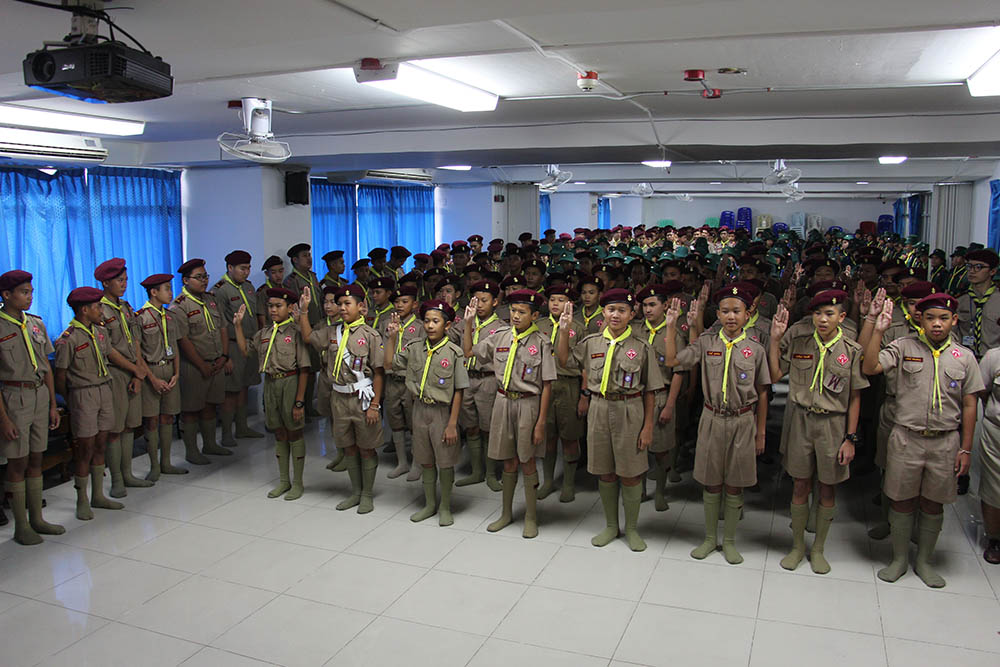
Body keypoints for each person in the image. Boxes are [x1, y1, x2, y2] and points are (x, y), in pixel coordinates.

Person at [862, 294, 983, 588]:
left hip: (944, 442)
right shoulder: (904, 347)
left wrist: (966, 448)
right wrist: (878, 329)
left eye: (943, 318)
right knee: (902, 501)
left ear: (954, 320)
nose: (936, 324)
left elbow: (970, 405)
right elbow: (870, 367)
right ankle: (899, 559)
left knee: (933, 504)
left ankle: (925, 561)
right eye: (930, 318)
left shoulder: (964, 357)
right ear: (921, 320)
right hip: (907, 438)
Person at [664, 284, 770, 564]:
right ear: (718, 314)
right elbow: (673, 360)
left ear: (747, 314)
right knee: (711, 482)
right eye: (725, 311)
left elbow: (762, 392)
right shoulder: (706, 343)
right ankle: (710, 538)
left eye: (736, 311)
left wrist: (760, 432)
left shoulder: (755, 349)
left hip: (743, 420)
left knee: (735, 484)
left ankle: (730, 541)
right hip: (712, 417)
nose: (731, 316)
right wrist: (671, 328)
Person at [768, 290, 868, 574]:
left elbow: (855, 397)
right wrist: (775, 340)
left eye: (829, 314)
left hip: (832, 424)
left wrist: (850, 438)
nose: (822, 320)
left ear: (842, 317)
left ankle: (819, 549)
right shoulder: (800, 342)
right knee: (800, 485)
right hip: (800, 421)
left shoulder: (851, 350)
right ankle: (798, 546)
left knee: (827, 487)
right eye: (818, 313)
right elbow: (775, 375)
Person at [559, 289, 664, 551]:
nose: (615, 315)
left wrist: (648, 426)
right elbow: (564, 359)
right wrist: (563, 331)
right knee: (605, 471)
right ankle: (610, 525)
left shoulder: (641, 347)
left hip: (630, 410)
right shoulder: (591, 343)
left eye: (622, 310)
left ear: (631, 314)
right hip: (599, 408)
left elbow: (651, 390)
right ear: (603, 313)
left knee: (630, 473)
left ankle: (632, 529)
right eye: (611, 310)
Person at [465, 289, 555, 538]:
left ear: (534, 316)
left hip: (528, 404)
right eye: (513, 310)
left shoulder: (542, 343)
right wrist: (468, 324)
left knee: (527, 461)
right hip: (503, 401)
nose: (515, 316)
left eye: (522, 312)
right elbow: (469, 352)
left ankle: (531, 516)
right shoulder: (500, 337)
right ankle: (506, 513)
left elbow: (547, 384)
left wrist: (541, 422)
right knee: (508, 459)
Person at [301, 284, 384, 513]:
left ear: (361, 306)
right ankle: (355, 492)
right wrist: (304, 311)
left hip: (362, 399)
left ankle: (367, 494)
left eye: (348, 303)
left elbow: (379, 373)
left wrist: (375, 405)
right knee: (348, 447)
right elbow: (308, 337)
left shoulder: (370, 335)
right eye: (340, 304)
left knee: (366, 448)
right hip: (339, 397)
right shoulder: (331, 332)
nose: (343, 308)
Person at [384, 299, 468, 524]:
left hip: (442, 413)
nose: (430, 326)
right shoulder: (414, 348)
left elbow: (459, 390)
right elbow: (389, 364)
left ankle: (445, 507)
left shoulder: (454, 353)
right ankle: (430, 504)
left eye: (436, 321)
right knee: (426, 460)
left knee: (445, 462)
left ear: (447, 325)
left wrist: (452, 424)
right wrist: (392, 338)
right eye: (427, 321)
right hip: (419, 410)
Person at [0, 270, 64, 544]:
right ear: (6, 295)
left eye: (31, 292)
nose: (29, 297)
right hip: (14, 398)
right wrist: (4, 419)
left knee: (37, 458)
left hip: (39, 395)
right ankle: (21, 526)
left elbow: (46, 366)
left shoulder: (35, 323)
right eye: (24, 292)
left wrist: (52, 404)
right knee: (18, 462)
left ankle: (37, 518)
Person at [53, 287, 125, 519]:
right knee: (85, 448)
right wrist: (71, 399)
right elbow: (61, 376)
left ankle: (98, 495)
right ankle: (82, 499)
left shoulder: (100, 331)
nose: (101, 310)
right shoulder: (68, 339)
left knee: (101, 443)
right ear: (84, 310)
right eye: (97, 306)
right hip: (83, 394)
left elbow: (108, 356)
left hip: (104, 389)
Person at [234, 287, 311, 500]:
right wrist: (238, 326)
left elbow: (305, 369)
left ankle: (298, 483)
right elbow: (245, 350)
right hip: (270, 383)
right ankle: (284, 481)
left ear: (290, 308)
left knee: (294, 432)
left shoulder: (296, 332)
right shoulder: (265, 333)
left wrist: (299, 401)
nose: (273, 310)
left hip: (290, 382)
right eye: (270, 306)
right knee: (279, 432)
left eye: (278, 306)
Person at [96, 258, 153, 497]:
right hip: (116, 373)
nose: (124, 284)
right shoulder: (99, 309)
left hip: (133, 371)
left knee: (130, 425)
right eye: (119, 280)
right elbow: (107, 348)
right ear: (106, 282)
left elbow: (135, 340)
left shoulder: (126, 307)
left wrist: (139, 371)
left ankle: (128, 474)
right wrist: (133, 369)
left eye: (126, 280)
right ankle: (117, 479)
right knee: (116, 428)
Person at [169, 258, 232, 465]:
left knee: (210, 405)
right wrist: (201, 365)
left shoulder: (211, 299)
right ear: (186, 280)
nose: (204, 280)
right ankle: (191, 451)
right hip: (194, 366)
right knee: (191, 410)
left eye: (205, 276)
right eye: (199, 277)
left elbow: (223, 328)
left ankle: (210, 444)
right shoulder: (179, 306)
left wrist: (224, 356)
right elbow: (183, 340)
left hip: (216, 361)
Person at [452, 279, 509, 490]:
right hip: (466, 378)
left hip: (488, 380)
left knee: (488, 428)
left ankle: (491, 473)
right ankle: (476, 471)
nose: (479, 305)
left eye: (484, 300)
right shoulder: (464, 323)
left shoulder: (501, 328)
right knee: (471, 426)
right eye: (475, 300)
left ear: (495, 302)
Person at [637, 283, 688, 511]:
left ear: (665, 305)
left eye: (652, 305)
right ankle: (639, 489)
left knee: (661, 450)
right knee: (637, 448)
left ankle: (660, 491)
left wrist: (669, 405)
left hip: (660, 396)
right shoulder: (635, 330)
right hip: (637, 396)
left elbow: (678, 372)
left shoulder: (674, 334)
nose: (647, 309)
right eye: (644, 305)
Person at [535, 284, 585, 502]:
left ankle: (568, 483)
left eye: (561, 300)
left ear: (570, 304)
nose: (555, 304)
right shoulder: (539, 325)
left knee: (570, 438)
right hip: (544, 385)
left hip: (569, 385)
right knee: (548, 437)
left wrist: (584, 396)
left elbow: (586, 365)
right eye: (552, 299)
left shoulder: (579, 328)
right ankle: (548, 481)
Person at [136, 274, 185, 479]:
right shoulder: (141, 317)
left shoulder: (170, 316)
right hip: (152, 372)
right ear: (154, 292)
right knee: (152, 420)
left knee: (168, 417)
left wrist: (177, 373)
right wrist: (152, 379)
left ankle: (166, 462)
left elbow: (175, 346)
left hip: (170, 370)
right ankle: (154, 466)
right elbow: (138, 353)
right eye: (166, 289)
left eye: (170, 288)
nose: (171, 292)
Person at [214, 250, 264, 447]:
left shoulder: (248, 287)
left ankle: (242, 427)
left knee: (244, 386)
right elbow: (219, 325)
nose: (247, 272)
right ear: (230, 268)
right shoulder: (220, 290)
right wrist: (225, 355)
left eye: (249, 268)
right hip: (233, 345)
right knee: (231, 391)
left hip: (250, 342)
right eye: (243, 268)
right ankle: (227, 433)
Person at [382, 285, 423, 479]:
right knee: (395, 422)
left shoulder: (421, 327)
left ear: (414, 304)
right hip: (392, 380)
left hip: (410, 382)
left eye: (404, 301)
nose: (399, 305)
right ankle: (402, 462)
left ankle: (417, 463)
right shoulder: (386, 323)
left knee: (414, 423)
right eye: (396, 302)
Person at [977, 346, 1000, 564]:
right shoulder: (994, 357)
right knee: (994, 487)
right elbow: (982, 391)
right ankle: (995, 539)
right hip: (997, 433)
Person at [256, 255, 285, 329]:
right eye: (273, 272)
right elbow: (261, 317)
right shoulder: (263, 292)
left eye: (280, 271)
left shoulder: (285, 288)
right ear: (266, 273)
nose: (278, 275)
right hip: (271, 329)